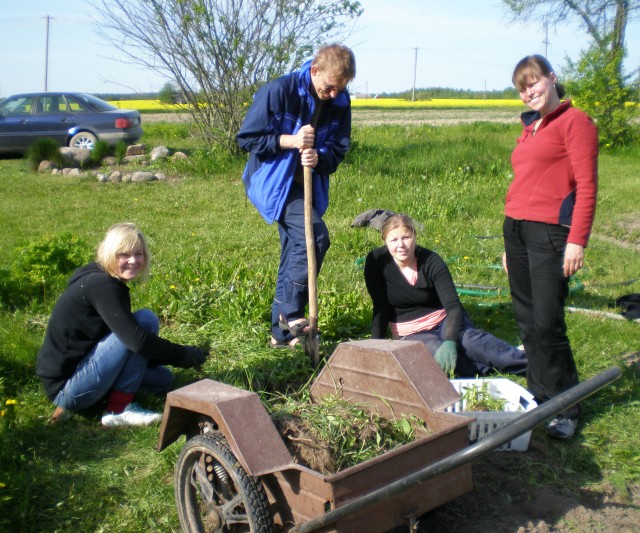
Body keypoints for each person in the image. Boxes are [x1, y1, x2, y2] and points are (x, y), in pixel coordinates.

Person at [503, 55, 598, 439]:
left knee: (547, 321)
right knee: (526, 319)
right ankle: (539, 391)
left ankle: (566, 406)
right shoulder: (530, 128)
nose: (529, 92)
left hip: (551, 234)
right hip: (517, 230)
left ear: (552, 78)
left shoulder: (576, 123)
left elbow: (587, 187)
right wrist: (510, 246)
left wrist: (577, 240)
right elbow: (523, 183)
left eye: (534, 82)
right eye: (522, 88)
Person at [237, 43, 356, 349]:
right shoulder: (280, 91)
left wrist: (320, 157)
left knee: (294, 249)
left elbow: (339, 149)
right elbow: (248, 138)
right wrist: (290, 140)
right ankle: (291, 315)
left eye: (339, 89)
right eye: (329, 87)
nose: (333, 95)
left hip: (307, 184)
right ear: (314, 70)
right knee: (314, 238)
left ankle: (280, 335)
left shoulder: (340, 102)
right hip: (274, 183)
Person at [36, 223, 207, 427]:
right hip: (68, 388)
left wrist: (158, 357)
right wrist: (183, 355)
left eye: (138, 253)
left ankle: (103, 398)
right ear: (110, 254)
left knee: (164, 380)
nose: (133, 261)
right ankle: (118, 409)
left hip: (83, 370)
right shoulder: (101, 285)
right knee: (145, 320)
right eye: (124, 255)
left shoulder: (104, 279)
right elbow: (136, 341)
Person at [364, 214, 527, 377]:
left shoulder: (431, 260)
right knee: (442, 362)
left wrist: (450, 340)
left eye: (406, 237)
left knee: (471, 342)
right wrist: (374, 346)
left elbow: (454, 306)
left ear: (414, 236)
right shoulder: (376, 262)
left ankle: (528, 364)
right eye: (394, 240)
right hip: (412, 333)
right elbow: (381, 307)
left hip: (445, 321)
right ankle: (486, 366)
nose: (401, 245)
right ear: (384, 240)